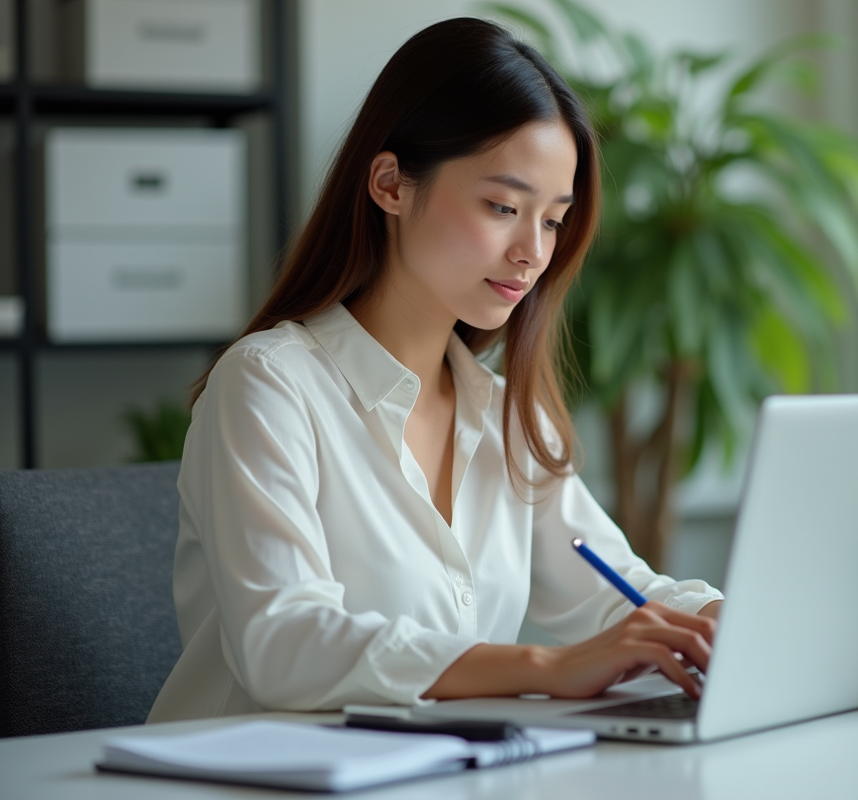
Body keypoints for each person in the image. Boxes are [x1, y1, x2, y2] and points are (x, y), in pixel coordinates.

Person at [148, 17, 722, 723]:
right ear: (390, 184)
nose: (532, 252)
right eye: (504, 207)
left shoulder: (510, 416)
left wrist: (721, 622)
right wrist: (546, 667)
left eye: (552, 221)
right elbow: (284, 641)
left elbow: (615, 591)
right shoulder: (269, 383)